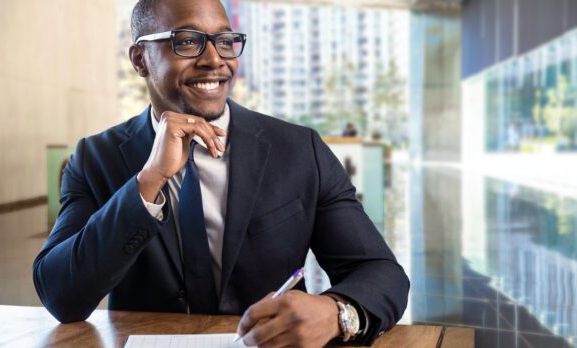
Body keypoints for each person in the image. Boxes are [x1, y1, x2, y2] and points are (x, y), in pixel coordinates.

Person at [32, 0, 409, 346]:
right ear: (140, 59)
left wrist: (336, 312)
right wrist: (148, 182)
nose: (214, 59)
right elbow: (61, 295)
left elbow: (380, 272)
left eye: (225, 41)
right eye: (188, 41)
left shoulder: (299, 150)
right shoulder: (96, 158)